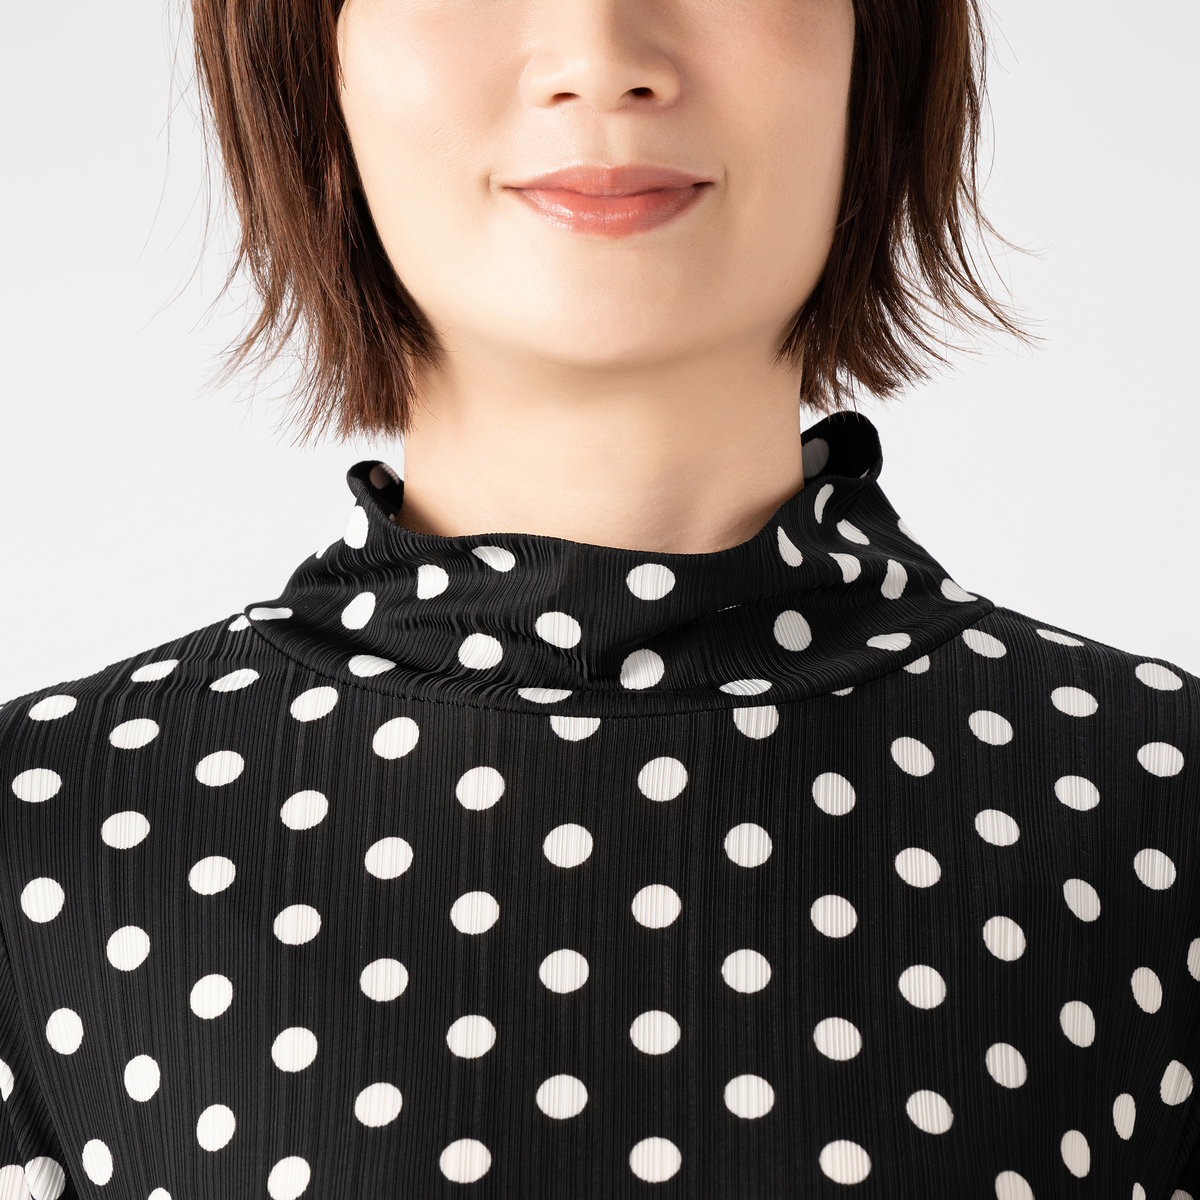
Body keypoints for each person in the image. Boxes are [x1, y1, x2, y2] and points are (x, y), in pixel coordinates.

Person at [1, 0, 1196, 1196]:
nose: (599, 58)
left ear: (880, 36)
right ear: (303, 51)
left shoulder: (1164, 806)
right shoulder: (42, 833)